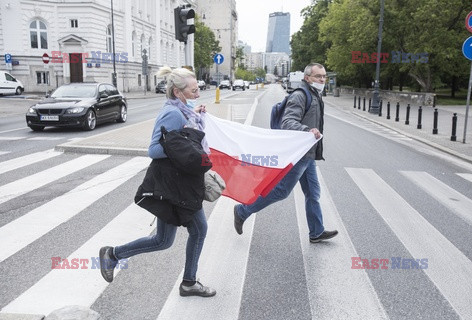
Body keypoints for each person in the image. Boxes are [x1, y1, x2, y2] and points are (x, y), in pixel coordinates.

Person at [99, 66, 216, 297]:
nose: (197, 94)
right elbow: (154, 150)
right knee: (196, 231)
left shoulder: (182, 110)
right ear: (177, 92)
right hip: (174, 186)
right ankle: (189, 282)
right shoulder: (172, 113)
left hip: (179, 184)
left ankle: (113, 255)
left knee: (164, 240)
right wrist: (187, 149)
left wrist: (195, 118)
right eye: (193, 91)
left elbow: (182, 137)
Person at [233, 63, 338, 243]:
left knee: (313, 193)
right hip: (298, 154)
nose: (322, 80)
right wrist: (307, 130)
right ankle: (242, 211)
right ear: (307, 78)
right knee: (281, 191)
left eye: (324, 76)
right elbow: (288, 122)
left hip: (308, 153)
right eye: (317, 76)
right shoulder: (300, 95)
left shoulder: (315, 94)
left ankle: (316, 232)